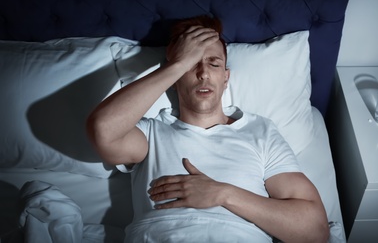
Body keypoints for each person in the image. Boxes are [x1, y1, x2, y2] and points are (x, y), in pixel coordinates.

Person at [86, 15, 329, 242]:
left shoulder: (260, 131)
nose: (203, 74)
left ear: (226, 77)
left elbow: (315, 231)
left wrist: (222, 194)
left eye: (213, 64)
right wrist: (177, 65)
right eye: (192, 65)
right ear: (175, 77)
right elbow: (102, 129)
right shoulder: (152, 133)